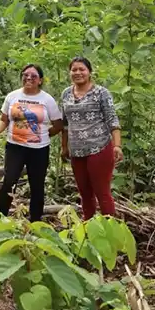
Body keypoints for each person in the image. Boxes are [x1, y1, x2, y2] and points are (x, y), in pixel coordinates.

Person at [0, 65, 63, 222]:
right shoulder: (12, 96)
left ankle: (35, 221)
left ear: (40, 80)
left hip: (39, 150)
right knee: (9, 182)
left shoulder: (47, 99)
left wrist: (42, 135)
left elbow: (58, 125)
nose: (29, 78)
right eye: (25, 75)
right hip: (15, 147)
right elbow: (4, 120)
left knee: (37, 185)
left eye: (33, 76)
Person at [60, 57, 123, 220]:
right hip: (76, 151)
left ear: (89, 72)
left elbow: (112, 119)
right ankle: (88, 227)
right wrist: (64, 147)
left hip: (99, 148)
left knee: (102, 192)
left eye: (82, 69)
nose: (78, 73)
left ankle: (110, 227)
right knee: (84, 192)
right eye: (74, 70)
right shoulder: (66, 93)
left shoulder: (101, 93)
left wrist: (117, 146)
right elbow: (65, 124)